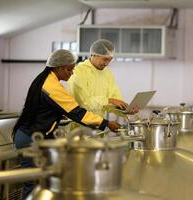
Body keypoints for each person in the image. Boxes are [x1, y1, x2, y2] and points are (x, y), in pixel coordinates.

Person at [12, 49, 121, 199]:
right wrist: (106, 123)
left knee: (42, 182)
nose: (72, 73)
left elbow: (60, 109)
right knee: (34, 184)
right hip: (31, 138)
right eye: (70, 69)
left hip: (34, 136)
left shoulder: (47, 80)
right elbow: (76, 113)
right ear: (59, 68)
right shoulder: (52, 87)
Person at [67, 39, 137, 118]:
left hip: (99, 125)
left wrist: (125, 110)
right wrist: (109, 100)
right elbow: (84, 103)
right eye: (105, 59)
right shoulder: (78, 71)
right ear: (93, 55)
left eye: (110, 60)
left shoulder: (107, 73)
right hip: (78, 125)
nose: (107, 63)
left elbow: (114, 98)